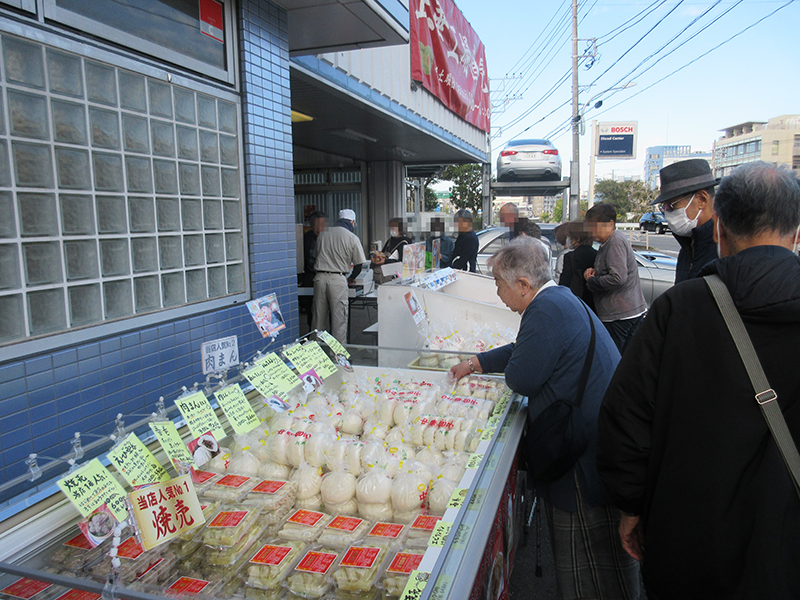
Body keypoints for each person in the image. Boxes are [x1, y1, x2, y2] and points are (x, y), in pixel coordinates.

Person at [596, 162, 800, 599]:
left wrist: (631, 505)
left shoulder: (680, 309)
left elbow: (625, 413)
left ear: (720, 225)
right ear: (797, 232)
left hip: (687, 543)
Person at [449, 237, 640, 600]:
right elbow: (526, 349)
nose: (498, 294)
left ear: (523, 285)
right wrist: (477, 363)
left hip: (580, 457)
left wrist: (497, 368)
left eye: (499, 285)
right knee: (603, 560)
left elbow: (521, 377)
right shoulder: (558, 298)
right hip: (595, 439)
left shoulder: (545, 310)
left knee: (589, 560)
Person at [583, 203, 647, 354]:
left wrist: (592, 282)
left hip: (619, 315)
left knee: (612, 357)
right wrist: (596, 272)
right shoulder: (608, 242)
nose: (591, 231)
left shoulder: (614, 242)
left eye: (595, 226)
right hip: (625, 312)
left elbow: (618, 278)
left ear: (610, 224)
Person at [650, 158, 719, 283]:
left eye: (671, 206)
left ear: (701, 200)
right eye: (664, 208)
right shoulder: (688, 247)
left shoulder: (726, 247)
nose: (667, 214)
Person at [312, 208, 366, 344]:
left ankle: (317, 356)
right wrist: (352, 278)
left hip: (320, 278)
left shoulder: (323, 234)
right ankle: (338, 358)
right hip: (337, 280)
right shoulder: (352, 237)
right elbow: (359, 264)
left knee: (318, 319)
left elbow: (315, 255)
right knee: (339, 321)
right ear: (352, 222)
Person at [559, 221, 597, 312]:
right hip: (594, 304)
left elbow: (564, 283)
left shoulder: (570, 257)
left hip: (576, 303)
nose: (569, 241)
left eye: (570, 238)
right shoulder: (598, 255)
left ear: (578, 238)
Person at [301, 211, 326, 327]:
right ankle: (312, 334)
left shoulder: (328, 238)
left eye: (321, 225)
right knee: (311, 308)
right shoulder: (306, 238)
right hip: (310, 276)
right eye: (316, 225)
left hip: (325, 275)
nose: (319, 228)